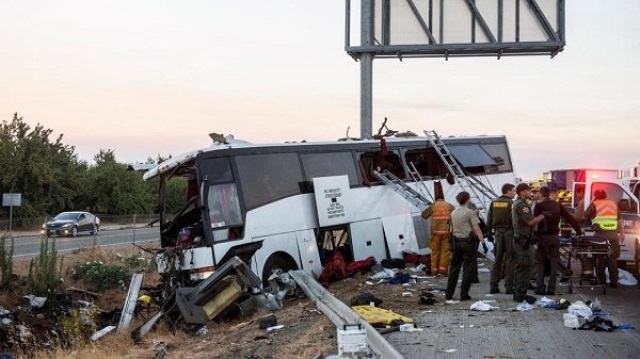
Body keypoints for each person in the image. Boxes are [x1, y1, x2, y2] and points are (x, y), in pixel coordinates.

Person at [532, 186, 582, 295]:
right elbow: (570, 219)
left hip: (542, 237)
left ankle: (540, 287)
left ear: (542, 194)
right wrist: (578, 232)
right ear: (550, 193)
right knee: (553, 262)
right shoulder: (557, 205)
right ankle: (551, 288)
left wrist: (533, 237)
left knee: (540, 262)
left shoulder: (539, 206)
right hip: (554, 237)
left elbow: (535, 222)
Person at [445, 191, 486, 301]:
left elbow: (450, 230)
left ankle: (449, 294)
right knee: (468, 269)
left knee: (454, 268)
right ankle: (464, 294)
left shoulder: (453, 213)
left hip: (456, 243)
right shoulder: (470, 213)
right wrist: (483, 243)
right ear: (468, 199)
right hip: (468, 243)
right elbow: (477, 229)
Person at [512, 183, 546, 303]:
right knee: (524, 267)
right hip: (522, 241)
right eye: (528, 191)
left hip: (521, 240)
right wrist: (542, 216)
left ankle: (519, 293)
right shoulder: (521, 205)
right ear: (522, 192)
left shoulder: (519, 203)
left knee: (521, 267)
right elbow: (530, 222)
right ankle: (520, 295)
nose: (530, 193)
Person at [583, 189, 624, 288]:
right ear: (606, 196)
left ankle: (602, 281)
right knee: (612, 259)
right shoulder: (613, 204)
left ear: (596, 196)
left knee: (599, 258)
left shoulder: (594, 204)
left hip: (600, 236)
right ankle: (614, 282)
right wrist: (622, 233)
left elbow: (584, 216)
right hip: (613, 235)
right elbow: (620, 220)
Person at [487, 183, 516, 294]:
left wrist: (489, 233)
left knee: (497, 260)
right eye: (513, 191)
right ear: (508, 191)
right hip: (509, 232)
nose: (514, 193)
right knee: (510, 260)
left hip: (498, 233)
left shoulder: (494, 203)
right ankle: (509, 287)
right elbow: (515, 220)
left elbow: (489, 219)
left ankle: (493, 286)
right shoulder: (512, 203)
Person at [422, 194, 455, 276]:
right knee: (445, 252)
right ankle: (443, 271)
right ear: (443, 199)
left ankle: (434, 271)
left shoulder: (433, 206)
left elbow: (424, 216)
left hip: (436, 233)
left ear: (436, 199)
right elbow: (456, 216)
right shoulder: (450, 206)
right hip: (446, 233)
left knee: (435, 252)